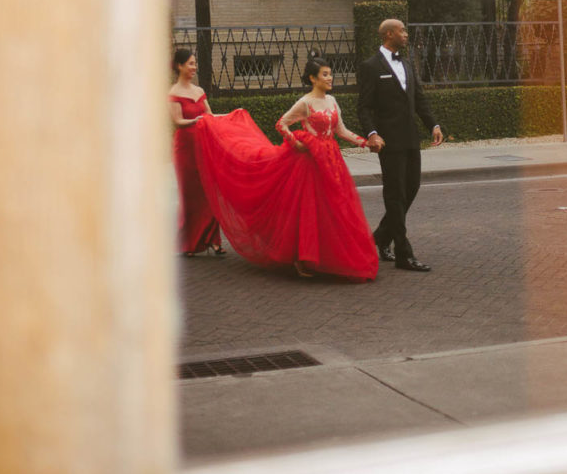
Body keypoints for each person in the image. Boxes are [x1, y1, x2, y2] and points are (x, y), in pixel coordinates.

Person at [193, 53, 379, 281]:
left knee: (332, 208)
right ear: (313, 78)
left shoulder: (332, 101)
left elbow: (341, 130)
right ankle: (301, 257)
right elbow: (281, 124)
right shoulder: (305, 102)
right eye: (325, 74)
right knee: (308, 210)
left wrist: (365, 142)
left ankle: (325, 255)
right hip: (308, 164)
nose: (331, 78)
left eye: (331, 74)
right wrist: (296, 143)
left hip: (331, 161)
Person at [357, 18, 443, 272]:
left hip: (410, 139)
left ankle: (382, 237)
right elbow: (364, 107)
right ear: (390, 34)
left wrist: (433, 125)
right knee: (395, 195)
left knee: (411, 189)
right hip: (388, 142)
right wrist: (372, 133)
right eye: (402, 30)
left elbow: (419, 98)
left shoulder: (406, 62)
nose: (406, 34)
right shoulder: (371, 66)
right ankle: (404, 254)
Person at [169, 48, 225, 257]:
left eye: (194, 64)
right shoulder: (173, 93)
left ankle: (214, 240)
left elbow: (209, 115)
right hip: (185, 149)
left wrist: (230, 116)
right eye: (190, 64)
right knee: (189, 195)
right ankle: (188, 243)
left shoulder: (199, 90)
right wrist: (195, 121)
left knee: (209, 192)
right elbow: (177, 121)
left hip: (204, 147)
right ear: (179, 66)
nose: (194, 67)